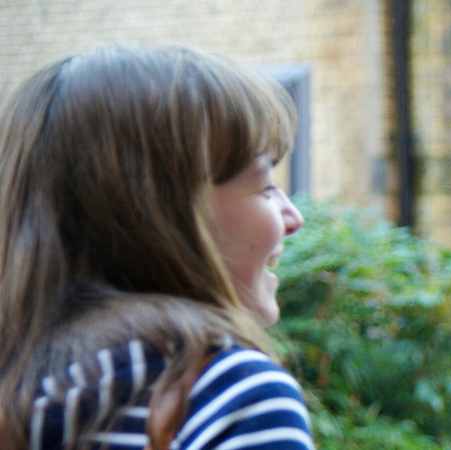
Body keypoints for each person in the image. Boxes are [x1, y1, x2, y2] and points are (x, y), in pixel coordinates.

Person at [0, 46, 311, 450]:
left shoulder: (23, 396)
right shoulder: (227, 397)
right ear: (169, 214)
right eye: (266, 184)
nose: (293, 218)